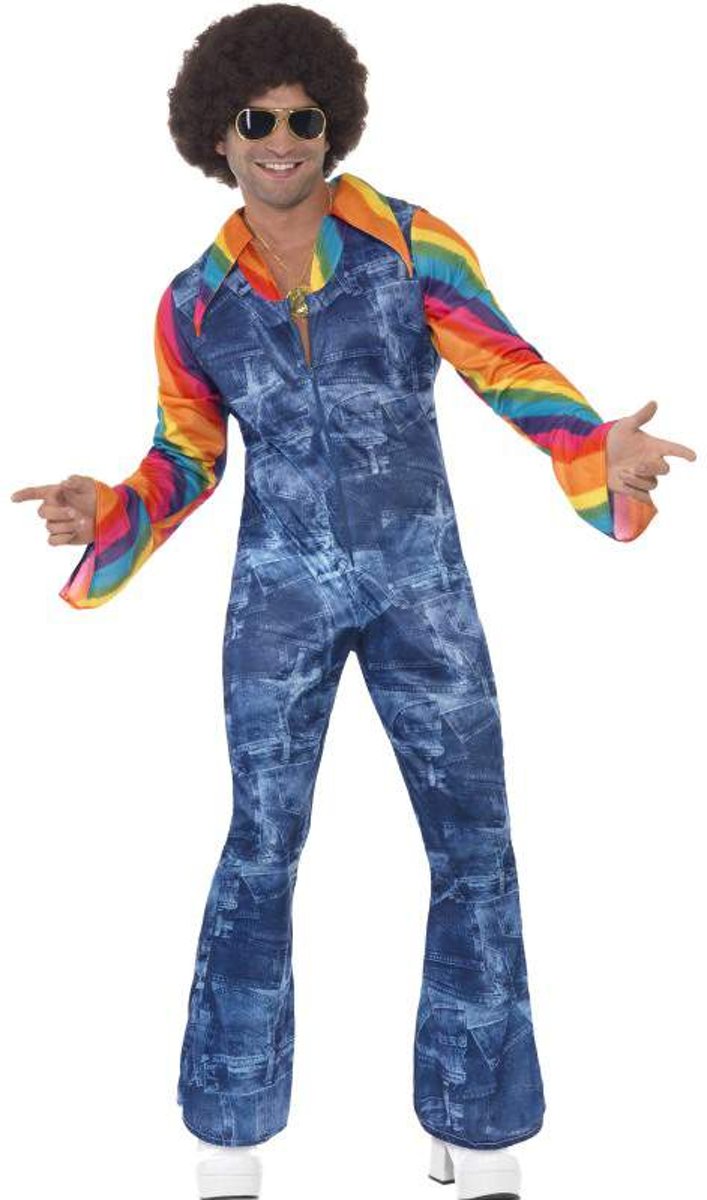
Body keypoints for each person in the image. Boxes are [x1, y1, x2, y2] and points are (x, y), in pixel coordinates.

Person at [9, 6, 697, 1199]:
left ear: (333, 126)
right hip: (277, 602)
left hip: (420, 586)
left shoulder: (410, 243)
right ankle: (230, 1129)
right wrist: (110, 506)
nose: (280, 139)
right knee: (261, 845)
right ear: (216, 136)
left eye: (302, 117)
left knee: (472, 840)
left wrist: (594, 446)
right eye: (255, 120)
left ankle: (475, 1120)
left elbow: (503, 362)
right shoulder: (192, 302)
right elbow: (186, 458)